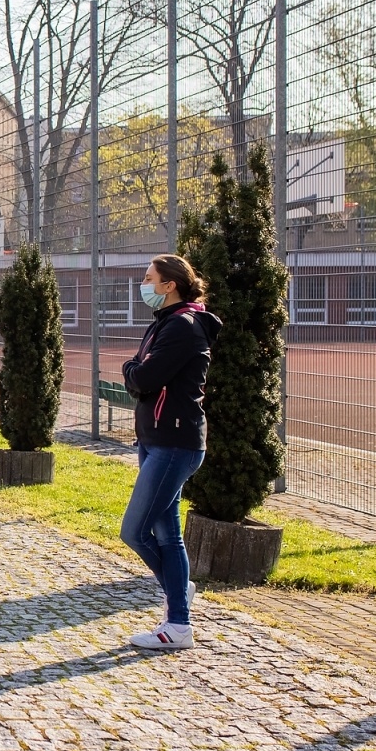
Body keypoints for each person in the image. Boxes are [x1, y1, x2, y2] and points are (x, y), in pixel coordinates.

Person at [119, 254, 220, 651]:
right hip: (155, 440)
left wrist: (131, 370)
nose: (144, 285)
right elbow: (141, 373)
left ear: (169, 285)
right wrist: (135, 370)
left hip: (175, 444)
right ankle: (178, 616)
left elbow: (143, 376)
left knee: (134, 531)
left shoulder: (183, 326)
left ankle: (178, 607)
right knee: (167, 535)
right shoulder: (164, 322)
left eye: (149, 279)